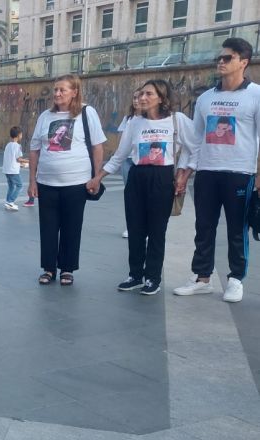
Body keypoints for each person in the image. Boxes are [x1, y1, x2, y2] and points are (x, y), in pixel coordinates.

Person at [175, 38, 260, 303]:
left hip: (240, 173)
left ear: (243, 62)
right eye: (220, 58)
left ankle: (235, 279)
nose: (220, 62)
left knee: (237, 229)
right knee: (204, 227)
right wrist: (186, 171)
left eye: (227, 58)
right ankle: (202, 278)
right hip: (207, 172)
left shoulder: (256, 95)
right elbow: (196, 138)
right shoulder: (206, 98)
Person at [92, 79, 196, 295]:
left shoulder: (177, 120)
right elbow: (120, 155)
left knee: (157, 231)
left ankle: (153, 278)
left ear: (162, 97)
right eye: (141, 94)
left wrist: (183, 173)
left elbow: (195, 148)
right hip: (137, 176)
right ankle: (135, 275)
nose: (142, 98)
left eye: (149, 94)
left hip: (161, 177)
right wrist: (98, 177)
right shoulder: (134, 122)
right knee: (136, 229)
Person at [28, 74, 107, 286]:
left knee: (72, 226)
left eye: (62, 90)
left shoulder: (87, 113)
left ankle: (67, 269)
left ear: (75, 92)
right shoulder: (45, 116)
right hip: (47, 182)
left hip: (77, 183)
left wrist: (96, 177)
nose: (57, 93)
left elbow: (97, 146)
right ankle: (49, 268)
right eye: (55, 90)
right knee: (48, 227)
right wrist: (32, 180)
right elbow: (34, 149)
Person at [118, 90, 141, 237]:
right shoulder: (128, 119)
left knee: (144, 195)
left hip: (143, 162)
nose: (137, 100)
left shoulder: (152, 119)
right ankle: (131, 226)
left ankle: (144, 227)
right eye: (134, 97)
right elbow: (121, 140)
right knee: (130, 195)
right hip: (127, 161)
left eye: (140, 97)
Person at [2, 126, 29, 211]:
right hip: (13, 171)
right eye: (21, 134)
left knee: (11, 186)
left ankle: (8, 202)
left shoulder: (8, 145)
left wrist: (21, 164)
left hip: (7, 170)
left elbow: (11, 158)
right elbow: (18, 159)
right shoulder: (18, 146)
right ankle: (11, 201)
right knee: (19, 185)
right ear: (19, 135)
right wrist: (28, 161)